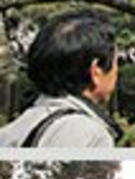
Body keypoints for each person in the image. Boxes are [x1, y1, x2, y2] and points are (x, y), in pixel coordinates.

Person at [0, 10, 122, 147]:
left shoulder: (11, 131)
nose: (117, 71)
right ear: (96, 71)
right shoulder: (88, 134)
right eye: (117, 62)